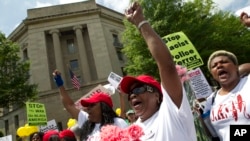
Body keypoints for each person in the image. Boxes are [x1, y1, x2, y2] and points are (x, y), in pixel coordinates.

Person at [118, 2, 197, 141]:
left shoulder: (171, 113)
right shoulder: (130, 132)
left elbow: (167, 66)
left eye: (138, 90)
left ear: (157, 96)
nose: (132, 96)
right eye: (130, 94)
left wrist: (140, 22)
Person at [53, 71, 128, 141]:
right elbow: (69, 105)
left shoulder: (118, 123)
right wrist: (60, 84)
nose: (87, 108)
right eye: (87, 105)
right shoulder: (86, 122)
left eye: (92, 105)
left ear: (103, 107)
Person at [203, 50, 250, 141]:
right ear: (212, 75)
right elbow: (212, 133)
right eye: (214, 66)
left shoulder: (248, 82)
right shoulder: (211, 100)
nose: (219, 66)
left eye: (224, 62)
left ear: (236, 67)